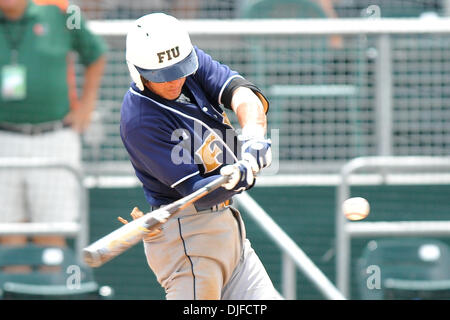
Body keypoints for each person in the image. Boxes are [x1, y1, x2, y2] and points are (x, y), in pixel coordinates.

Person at [120, 13, 281, 300]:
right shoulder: (140, 120)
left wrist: (255, 136)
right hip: (188, 237)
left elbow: (242, 94)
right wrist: (236, 179)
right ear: (139, 72)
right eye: (162, 75)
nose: (174, 80)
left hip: (229, 231)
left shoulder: (186, 62)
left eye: (179, 69)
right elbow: (198, 193)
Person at [0, 0, 106, 262]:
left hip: (54, 136)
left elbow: (95, 54)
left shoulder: (61, 10)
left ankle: (52, 291)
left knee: (52, 236)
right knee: (8, 236)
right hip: (3, 139)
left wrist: (86, 106)